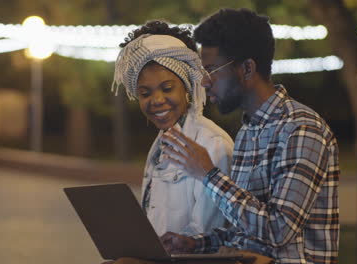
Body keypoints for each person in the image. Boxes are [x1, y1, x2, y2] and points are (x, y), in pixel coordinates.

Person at [159, 8, 340, 264]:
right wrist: (196, 244)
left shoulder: (302, 129)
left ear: (246, 68)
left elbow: (278, 230)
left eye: (211, 70)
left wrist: (208, 174)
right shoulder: (249, 130)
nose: (204, 82)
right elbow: (248, 230)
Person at [111, 21, 234, 237]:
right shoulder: (160, 143)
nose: (156, 100)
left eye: (167, 88)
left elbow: (207, 236)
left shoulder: (211, 143)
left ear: (187, 86)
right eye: (145, 93)